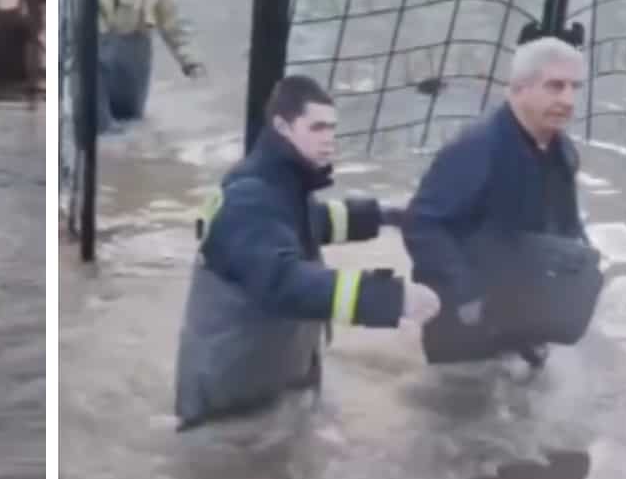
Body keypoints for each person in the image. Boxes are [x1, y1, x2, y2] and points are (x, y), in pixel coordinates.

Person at [174, 75, 440, 431]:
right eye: (316, 127)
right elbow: (284, 282)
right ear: (282, 126)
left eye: (331, 127)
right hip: (227, 410)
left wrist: (385, 216)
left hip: (264, 387)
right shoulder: (250, 197)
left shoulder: (282, 186)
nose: (328, 139)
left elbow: (311, 222)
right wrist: (391, 298)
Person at [402, 36, 590, 369]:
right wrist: (467, 293)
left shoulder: (563, 152)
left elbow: (567, 226)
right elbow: (421, 224)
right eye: (555, 86)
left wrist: (581, 272)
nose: (568, 99)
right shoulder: (477, 149)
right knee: (460, 407)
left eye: (575, 87)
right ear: (518, 88)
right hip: (463, 313)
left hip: (520, 305)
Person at [75, 0, 204, 135]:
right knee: (102, 128)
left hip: (134, 71)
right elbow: (72, 30)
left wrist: (191, 63)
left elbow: (174, 28)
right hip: (99, 69)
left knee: (132, 126)